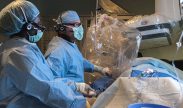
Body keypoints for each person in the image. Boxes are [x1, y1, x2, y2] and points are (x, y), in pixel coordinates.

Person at [0, 1, 93, 108]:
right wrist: (79, 103)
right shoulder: (18, 54)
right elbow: (46, 88)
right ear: (28, 26)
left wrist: (76, 86)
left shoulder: (23, 48)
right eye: (38, 23)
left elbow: (48, 78)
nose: (41, 27)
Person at [45, 10, 112, 85]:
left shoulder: (69, 44)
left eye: (79, 25)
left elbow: (78, 61)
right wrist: (77, 87)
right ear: (62, 28)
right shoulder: (57, 51)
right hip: (65, 95)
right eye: (75, 25)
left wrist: (99, 69)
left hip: (74, 95)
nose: (79, 28)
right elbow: (53, 83)